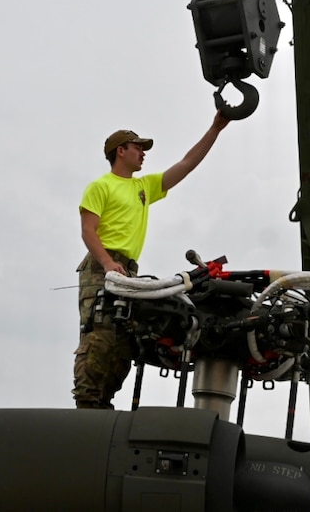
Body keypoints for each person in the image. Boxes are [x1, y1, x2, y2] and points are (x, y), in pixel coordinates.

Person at [73, 111, 230, 409]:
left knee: (124, 340)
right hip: (102, 266)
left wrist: (215, 129)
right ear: (121, 151)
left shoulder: (143, 187)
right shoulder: (101, 186)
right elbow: (87, 231)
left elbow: (186, 164)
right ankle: (87, 402)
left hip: (128, 270)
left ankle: (103, 405)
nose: (143, 153)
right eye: (137, 147)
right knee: (101, 333)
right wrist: (107, 264)